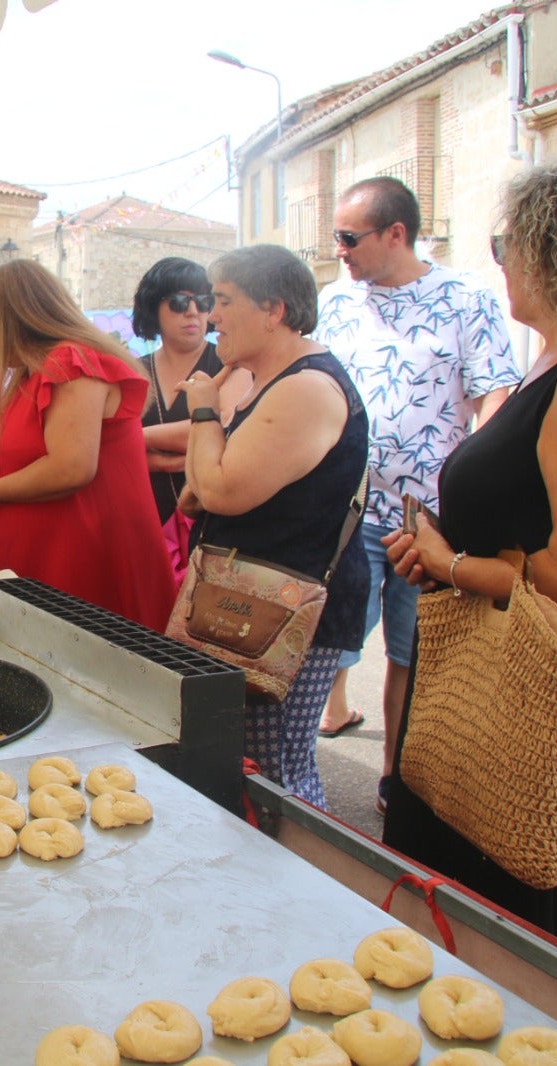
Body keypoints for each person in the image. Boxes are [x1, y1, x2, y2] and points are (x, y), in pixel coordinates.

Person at [382, 156, 557, 961]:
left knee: (522, 953)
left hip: (551, 695)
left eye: (505, 244)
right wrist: (447, 537)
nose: (501, 262)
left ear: (549, 251)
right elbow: (529, 512)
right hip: (506, 679)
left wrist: (446, 564)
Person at [313, 176, 520, 815]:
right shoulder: (337, 301)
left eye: (349, 238)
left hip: (427, 520)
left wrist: (467, 488)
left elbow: (496, 396)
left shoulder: (466, 300)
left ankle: (396, 778)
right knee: (326, 640)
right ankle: (310, 747)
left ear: (395, 234)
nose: (339, 250)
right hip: (346, 511)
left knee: (412, 654)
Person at [179, 246, 369, 808]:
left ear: (274, 310)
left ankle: (299, 880)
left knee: (276, 774)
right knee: (247, 762)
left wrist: (205, 408)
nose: (211, 317)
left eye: (223, 301)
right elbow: (197, 491)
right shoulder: (267, 377)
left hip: (289, 613)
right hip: (255, 604)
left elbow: (217, 490)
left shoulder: (307, 387)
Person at [0, 259, 174, 630]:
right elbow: (42, 453)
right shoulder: (36, 371)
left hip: (78, 566)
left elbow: (72, 466)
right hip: (50, 562)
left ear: (11, 320)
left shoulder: (70, 362)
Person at [129, 257, 226, 584]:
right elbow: (106, 444)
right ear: (153, 307)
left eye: (203, 302)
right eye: (180, 302)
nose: (193, 312)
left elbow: (220, 430)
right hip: (142, 523)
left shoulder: (227, 365)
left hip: (207, 526)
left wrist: (141, 444)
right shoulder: (133, 372)